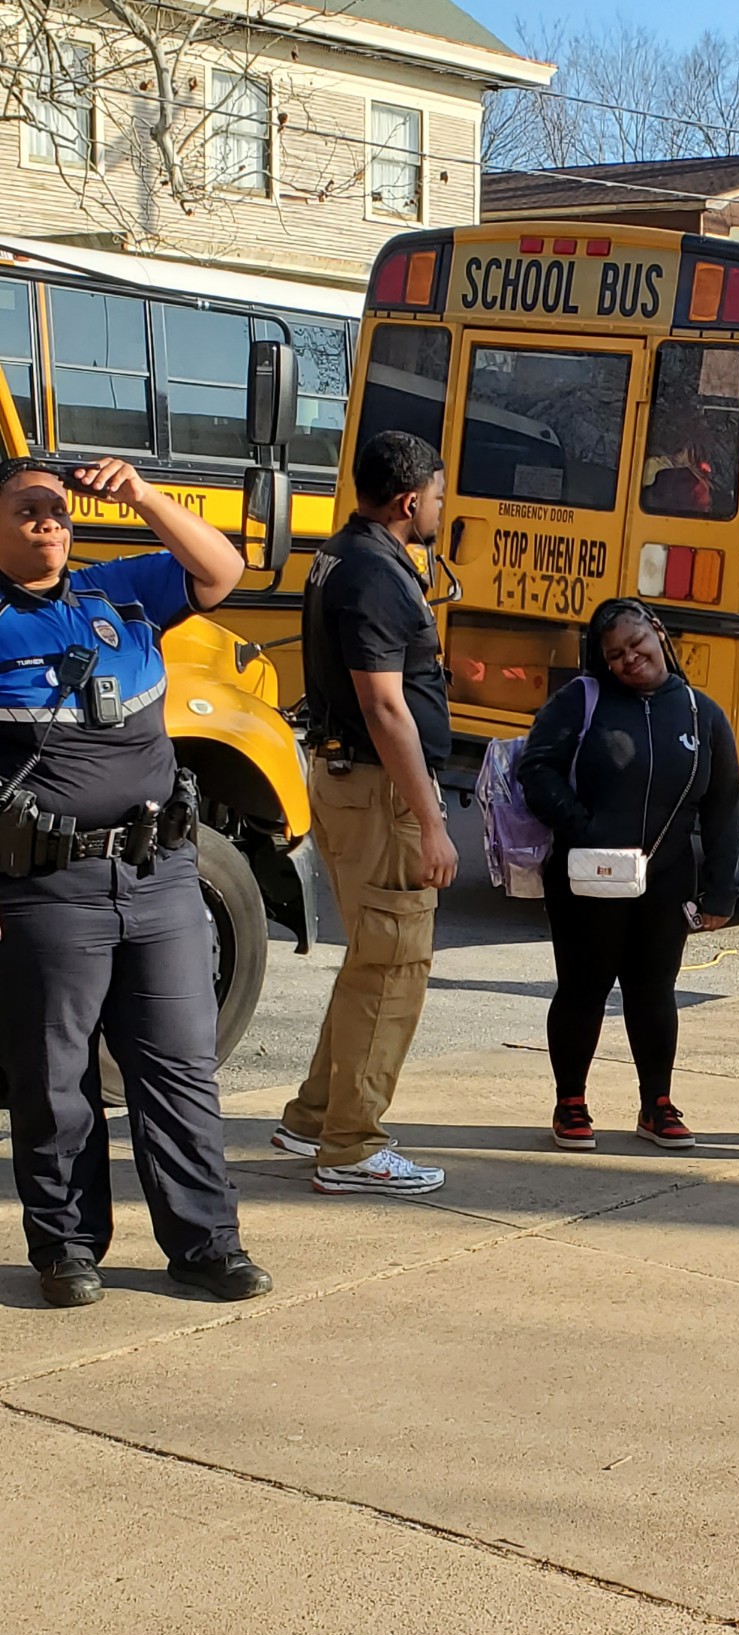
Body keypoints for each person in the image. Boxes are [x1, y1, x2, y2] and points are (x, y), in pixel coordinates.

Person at [0, 456, 270, 1308]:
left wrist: (144, 497)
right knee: (55, 1080)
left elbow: (222, 570)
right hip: (50, 886)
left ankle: (205, 1244)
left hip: (159, 876)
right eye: (27, 509)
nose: (50, 521)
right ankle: (68, 1249)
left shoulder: (119, 593)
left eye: (57, 508)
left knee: (180, 1068)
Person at [273, 431, 458, 1193]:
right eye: (440, 497)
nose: (444, 509)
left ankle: (314, 1116)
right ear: (411, 500)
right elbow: (386, 706)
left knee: (369, 958)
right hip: (379, 787)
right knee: (393, 965)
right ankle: (352, 1146)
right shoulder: (379, 574)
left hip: (348, 776)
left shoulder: (342, 553)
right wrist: (434, 820)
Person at [518, 597, 739, 1151]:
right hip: (587, 876)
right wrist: (582, 827)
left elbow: (722, 807)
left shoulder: (700, 713)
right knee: (583, 989)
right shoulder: (582, 700)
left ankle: (656, 1105)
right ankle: (571, 1101)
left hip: (664, 880)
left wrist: (722, 888)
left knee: (653, 993)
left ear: (659, 635)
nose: (628, 659)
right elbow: (536, 767)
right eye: (614, 654)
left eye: (636, 644)